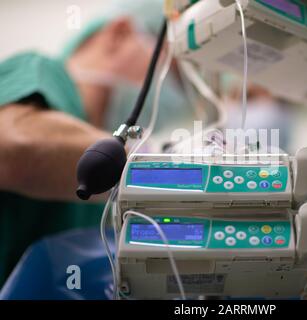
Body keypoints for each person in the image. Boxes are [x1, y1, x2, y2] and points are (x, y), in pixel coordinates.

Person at [0, 0, 191, 287]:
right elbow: (14, 149)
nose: (180, 96)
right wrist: (165, 169)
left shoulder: (101, 203)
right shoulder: (39, 72)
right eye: (175, 72)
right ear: (119, 35)